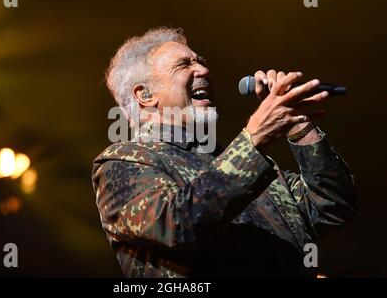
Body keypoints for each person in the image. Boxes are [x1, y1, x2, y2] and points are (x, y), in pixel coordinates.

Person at [91, 27, 356, 277]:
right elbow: (177, 224)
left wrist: (297, 121)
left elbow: (332, 205)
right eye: (185, 64)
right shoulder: (122, 160)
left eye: (201, 61)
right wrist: (254, 139)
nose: (204, 70)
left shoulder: (239, 161)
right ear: (145, 94)